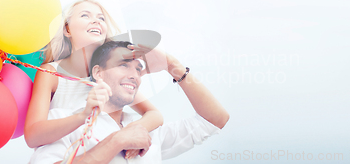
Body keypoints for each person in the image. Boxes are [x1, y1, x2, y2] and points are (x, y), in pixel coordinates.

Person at [29, 41, 230, 163]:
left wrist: (173, 66)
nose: (134, 75)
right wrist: (119, 140)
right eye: (124, 65)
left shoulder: (148, 131)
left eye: (137, 69)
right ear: (98, 73)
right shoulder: (63, 121)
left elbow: (215, 120)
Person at [24, 0, 163, 159]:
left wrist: (128, 133)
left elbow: (155, 114)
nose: (96, 21)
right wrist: (83, 116)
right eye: (85, 15)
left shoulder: (109, 75)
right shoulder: (50, 73)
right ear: (67, 29)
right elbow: (33, 136)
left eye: (101, 18)